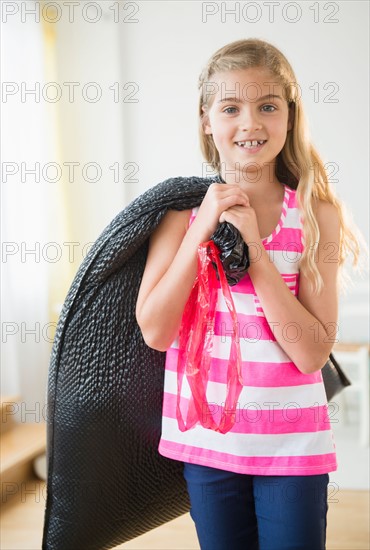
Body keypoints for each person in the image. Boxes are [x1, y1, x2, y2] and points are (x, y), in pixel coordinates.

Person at [135, 38, 361, 550]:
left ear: (289, 115)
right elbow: (156, 330)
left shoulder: (314, 215)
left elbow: (311, 353)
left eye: (268, 107)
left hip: (292, 446)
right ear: (206, 119)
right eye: (231, 107)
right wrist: (202, 229)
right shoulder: (178, 217)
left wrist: (255, 252)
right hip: (208, 444)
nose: (250, 124)